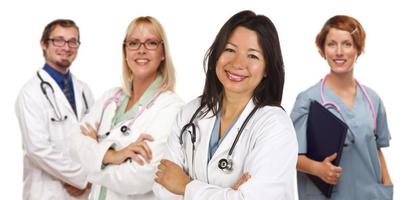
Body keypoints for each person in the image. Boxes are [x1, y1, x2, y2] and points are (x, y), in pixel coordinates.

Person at [153, 10, 298, 199]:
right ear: (216, 55)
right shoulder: (190, 113)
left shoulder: (275, 126)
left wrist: (186, 186)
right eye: (230, 49)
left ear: (267, 69)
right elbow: (161, 186)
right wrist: (228, 194)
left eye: (252, 56)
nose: (238, 63)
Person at [70, 16, 183, 200]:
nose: (141, 50)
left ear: (163, 53)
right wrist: (112, 156)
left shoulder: (171, 108)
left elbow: (140, 177)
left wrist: (92, 162)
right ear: (125, 51)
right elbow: (73, 144)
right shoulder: (110, 98)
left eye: (151, 43)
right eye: (134, 43)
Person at [290, 15, 393, 199]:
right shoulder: (308, 100)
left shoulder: (372, 99)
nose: (339, 52)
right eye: (331, 44)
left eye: (347, 44)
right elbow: (290, 156)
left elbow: (377, 149)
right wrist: (317, 169)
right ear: (322, 50)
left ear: (358, 49)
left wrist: (387, 187)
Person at [15, 19, 94, 199]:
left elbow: (95, 139)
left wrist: (92, 180)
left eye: (72, 41)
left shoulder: (84, 90)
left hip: (84, 194)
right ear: (44, 44)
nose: (66, 47)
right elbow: (38, 148)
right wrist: (83, 178)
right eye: (58, 40)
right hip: (47, 193)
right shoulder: (30, 93)